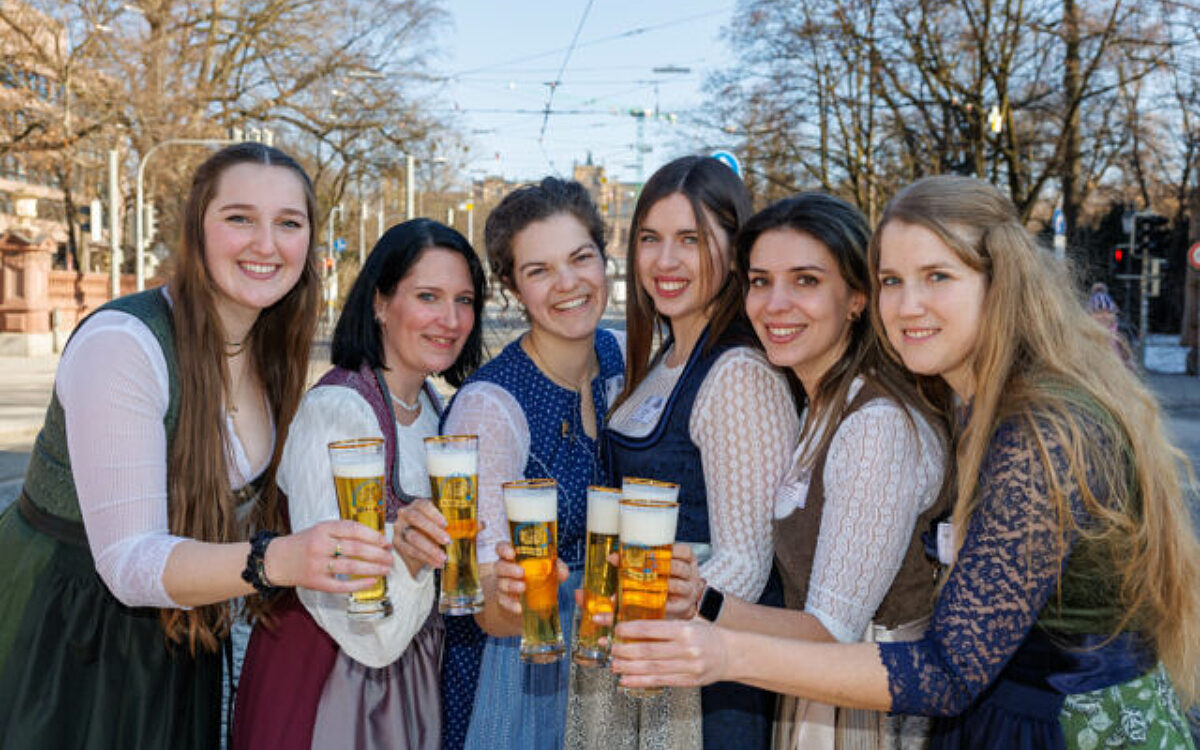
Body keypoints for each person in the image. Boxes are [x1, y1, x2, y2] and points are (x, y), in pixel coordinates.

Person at [611, 175, 1200, 749]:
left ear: (1002, 284)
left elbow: (948, 670)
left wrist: (723, 650)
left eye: (937, 276)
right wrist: (706, 605)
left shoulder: (1039, 429)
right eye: (893, 279)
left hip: (1066, 725)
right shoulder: (972, 400)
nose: (909, 304)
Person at [0, 142, 395, 749]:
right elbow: (130, 563)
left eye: (288, 224)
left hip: (187, 628)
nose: (266, 244)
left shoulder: (272, 348)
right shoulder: (124, 342)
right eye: (239, 218)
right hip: (67, 633)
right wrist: (279, 560)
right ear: (196, 231)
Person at [232, 219, 486, 749]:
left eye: (464, 300)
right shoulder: (339, 412)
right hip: (334, 678)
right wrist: (413, 558)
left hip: (411, 676)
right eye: (428, 296)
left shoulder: (437, 411)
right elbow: (355, 618)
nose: (451, 318)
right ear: (379, 303)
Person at [577, 155, 800, 750]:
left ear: (733, 250)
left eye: (690, 240)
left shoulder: (737, 374)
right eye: (650, 238)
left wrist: (645, 598)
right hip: (648, 654)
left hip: (704, 686)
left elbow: (748, 567)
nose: (665, 261)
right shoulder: (662, 360)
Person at [720, 193, 947, 748]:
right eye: (759, 281)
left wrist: (699, 608)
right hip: (821, 693)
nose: (775, 303)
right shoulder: (819, 403)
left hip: (870, 713)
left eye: (805, 281)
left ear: (856, 298)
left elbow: (830, 629)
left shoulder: (877, 426)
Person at [432, 177, 628, 750]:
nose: (568, 284)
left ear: (604, 259)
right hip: (517, 683)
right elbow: (483, 606)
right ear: (513, 287)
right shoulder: (489, 406)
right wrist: (516, 593)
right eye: (539, 270)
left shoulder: (623, 359)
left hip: (607, 671)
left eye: (580, 258)